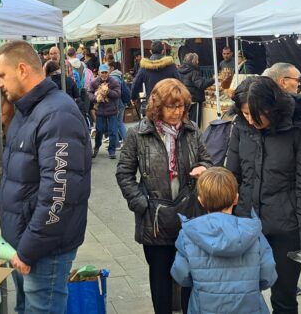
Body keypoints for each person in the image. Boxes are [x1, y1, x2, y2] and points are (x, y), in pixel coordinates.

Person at [0, 41, 91, 314]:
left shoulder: (57, 115)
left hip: (43, 250)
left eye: (1, 75)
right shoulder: (26, 110)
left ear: (22, 69)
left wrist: (28, 250)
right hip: (24, 245)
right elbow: (20, 175)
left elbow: (59, 194)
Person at [226, 76, 301, 314]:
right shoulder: (241, 126)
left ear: (273, 107)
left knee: (284, 298)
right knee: (243, 297)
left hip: (287, 230)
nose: (251, 120)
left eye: (255, 114)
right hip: (246, 226)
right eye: (245, 114)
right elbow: (232, 177)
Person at [116, 78, 213, 314]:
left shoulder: (192, 131)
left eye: (181, 106)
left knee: (190, 277)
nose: (177, 112)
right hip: (155, 217)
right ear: (157, 107)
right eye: (171, 106)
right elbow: (124, 173)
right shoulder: (138, 134)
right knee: (160, 279)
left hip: (189, 214)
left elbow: (207, 160)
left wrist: (203, 168)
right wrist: (142, 204)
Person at [171, 167, 277, 314]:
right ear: (236, 198)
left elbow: (181, 275)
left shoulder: (188, 234)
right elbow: (267, 276)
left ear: (200, 201)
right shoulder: (254, 233)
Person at [89, 64, 121, 159]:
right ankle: (97, 146)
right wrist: (95, 98)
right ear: (99, 73)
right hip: (100, 111)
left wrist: (108, 91)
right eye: (102, 72)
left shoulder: (114, 82)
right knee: (99, 130)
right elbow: (89, 92)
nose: (104, 74)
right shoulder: (94, 82)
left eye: (105, 72)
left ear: (109, 72)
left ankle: (112, 151)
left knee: (113, 131)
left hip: (112, 110)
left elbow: (118, 94)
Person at [177, 52, 214, 125]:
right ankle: (194, 136)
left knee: (185, 122)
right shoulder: (194, 72)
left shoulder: (180, 70)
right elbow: (201, 84)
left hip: (183, 100)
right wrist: (213, 79)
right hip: (194, 100)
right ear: (194, 61)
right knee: (194, 123)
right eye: (197, 60)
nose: (198, 62)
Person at [109, 62, 129, 142]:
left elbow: (116, 93)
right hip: (121, 103)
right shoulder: (118, 76)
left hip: (117, 103)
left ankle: (123, 141)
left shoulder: (114, 78)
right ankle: (122, 141)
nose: (108, 70)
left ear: (112, 68)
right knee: (118, 122)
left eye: (109, 68)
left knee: (116, 123)